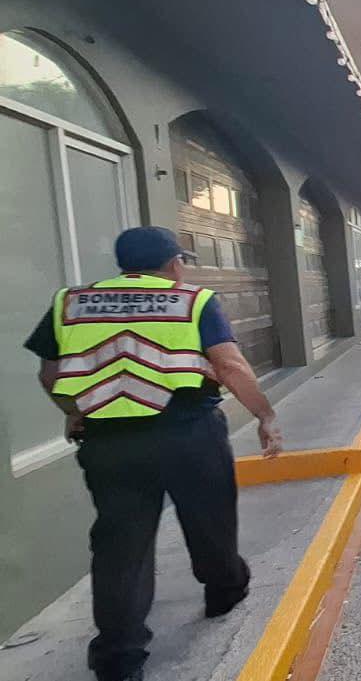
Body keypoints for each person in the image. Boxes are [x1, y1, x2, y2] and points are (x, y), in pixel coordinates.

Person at [25, 226, 283, 681]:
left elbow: (50, 373)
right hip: (187, 432)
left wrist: (74, 410)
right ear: (172, 263)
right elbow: (228, 363)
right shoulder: (191, 300)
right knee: (211, 519)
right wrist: (264, 416)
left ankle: (119, 658)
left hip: (110, 442)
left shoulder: (71, 302)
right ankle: (223, 589)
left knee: (121, 546)